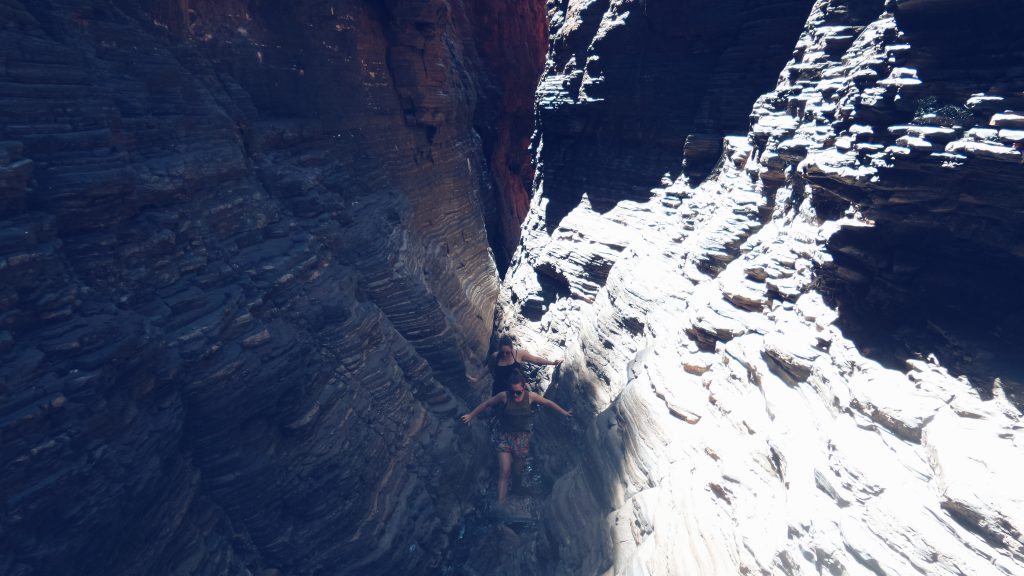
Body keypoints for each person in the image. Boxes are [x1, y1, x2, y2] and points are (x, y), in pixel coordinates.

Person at [461, 370, 572, 507]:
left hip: (522, 438)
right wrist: (471, 415)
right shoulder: (504, 396)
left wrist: (564, 412)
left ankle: (517, 488)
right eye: (513, 392)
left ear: (523, 388)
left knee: (517, 472)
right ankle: (501, 503)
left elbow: (548, 403)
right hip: (505, 437)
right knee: (505, 471)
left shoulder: (530, 397)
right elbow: (487, 404)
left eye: (518, 392)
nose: (515, 395)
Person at [465, 335, 563, 395]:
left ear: (512, 349)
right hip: (499, 389)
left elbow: (536, 360)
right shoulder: (495, 356)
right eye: (502, 352)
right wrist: (476, 379)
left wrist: (552, 363)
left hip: (516, 390)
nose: (504, 355)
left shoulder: (519, 354)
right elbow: (488, 368)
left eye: (507, 352)